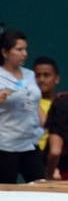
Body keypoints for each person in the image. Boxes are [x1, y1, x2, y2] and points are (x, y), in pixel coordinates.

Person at [0, 29, 44, 184]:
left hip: (30, 142)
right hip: (6, 145)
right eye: (19, 49)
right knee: (7, 192)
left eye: (25, 49)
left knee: (40, 186)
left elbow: (34, 102)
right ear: (5, 52)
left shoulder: (30, 74)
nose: (24, 53)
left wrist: (46, 123)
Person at [34, 57, 68, 179]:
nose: (41, 80)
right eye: (37, 76)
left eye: (46, 75)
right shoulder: (30, 105)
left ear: (57, 78)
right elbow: (54, 151)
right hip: (41, 163)